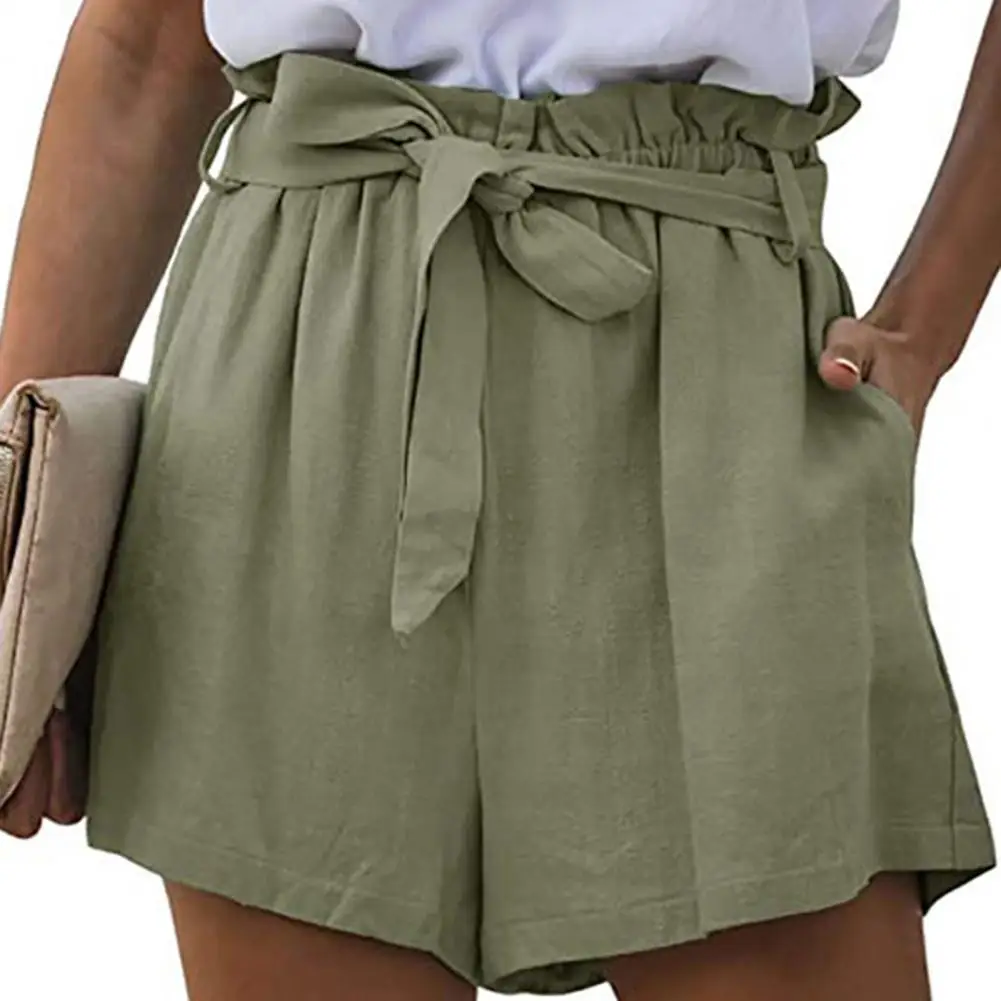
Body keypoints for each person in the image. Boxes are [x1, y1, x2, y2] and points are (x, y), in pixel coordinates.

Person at [0, 1, 997, 998]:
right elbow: (145, 45)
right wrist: (17, 545)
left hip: (716, 350)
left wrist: (926, 323)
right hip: (307, 341)